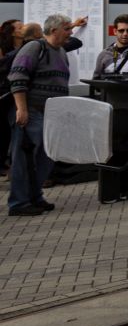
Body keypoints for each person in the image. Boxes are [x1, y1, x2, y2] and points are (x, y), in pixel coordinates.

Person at [6, 14, 78, 216]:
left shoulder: (61, 52)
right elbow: (17, 77)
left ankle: (35, 197)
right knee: (24, 159)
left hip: (52, 115)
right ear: (54, 30)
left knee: (46, 158)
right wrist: (22, 109)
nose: (71, 32)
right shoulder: (34, 48)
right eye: (67, 28)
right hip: (32, 112)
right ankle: (19, 203)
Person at [0, 19, 24, 176]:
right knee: (3, 130)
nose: (23, 29)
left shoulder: (25, 46)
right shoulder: (5, 48)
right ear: (13, 31)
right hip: (4, 93)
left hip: (13, 93)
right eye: (20, 27)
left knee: (9, 130)